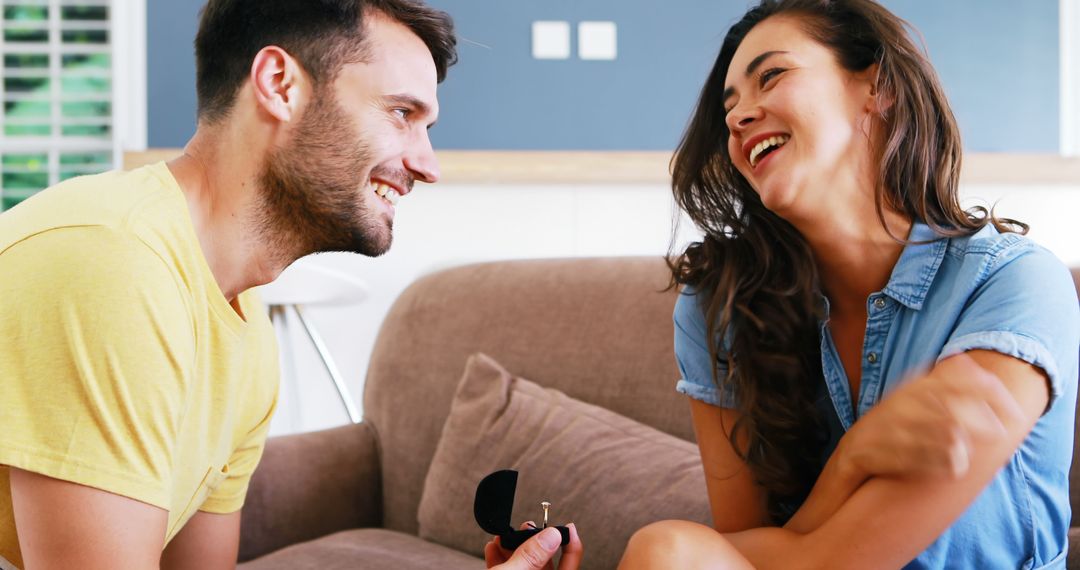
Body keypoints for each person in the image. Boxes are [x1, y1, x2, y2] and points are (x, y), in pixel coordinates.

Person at [0, 1, 578, 568]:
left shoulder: (244, 326)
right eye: (402, 113)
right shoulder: (111, 261)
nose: (429, 165)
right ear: (279, 84)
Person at [619, 0, 1079, 568]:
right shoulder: (720, 304)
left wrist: (818, 513)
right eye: (729, 106)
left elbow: (839, 559)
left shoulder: (1013, 280)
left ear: (876, 87)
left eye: (772, 76)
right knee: (664, 550)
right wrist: (854, 458)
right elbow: (742, 554)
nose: (737, 118)